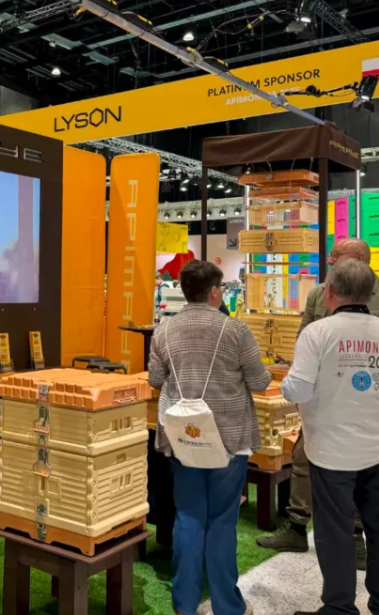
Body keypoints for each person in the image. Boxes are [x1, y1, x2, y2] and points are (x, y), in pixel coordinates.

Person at [258, 237, 379, 565]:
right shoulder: (319, 293)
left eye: (336, 255)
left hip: (371, 403)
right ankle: (296, 525)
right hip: (324, 402)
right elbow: (305, 338)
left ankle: (356, 534)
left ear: (360, 258)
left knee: (365, 467)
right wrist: (302, 386)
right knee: (303, 457)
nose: (330, 260)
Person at [283, 259, 379, 615]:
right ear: (371, 293)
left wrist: (286, 383)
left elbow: (298, 388)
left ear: (329, 292)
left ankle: (340, 607)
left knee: (334, 530)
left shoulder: (318, 333)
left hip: (331, 451)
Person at [148, 260, 271, 615]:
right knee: (222, 521)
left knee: (187, 518)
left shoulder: (164, 331)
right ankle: (227, 606)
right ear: (215, 292)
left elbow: (155, 379)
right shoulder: (236, 330)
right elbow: (260, 382)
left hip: (183, 439)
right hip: (229, 440)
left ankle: (184, 603)